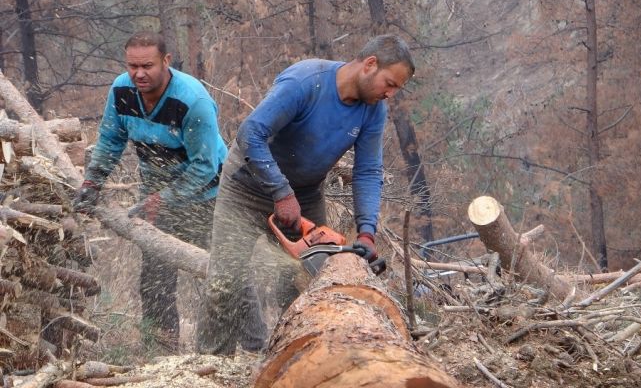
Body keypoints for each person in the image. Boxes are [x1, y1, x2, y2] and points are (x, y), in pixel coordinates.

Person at [196, 34, 415, 355]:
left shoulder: (373, 110)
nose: (390, 93)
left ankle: (298, 360)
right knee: (225, 282)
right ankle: (210, 366)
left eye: (396, 88)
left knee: (308, 282)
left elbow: (368, 170)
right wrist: (280, 191)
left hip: (306, 194)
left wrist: (367, 231)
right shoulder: (306, 82)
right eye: (390, 83)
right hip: (247, 186)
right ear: (370, 64)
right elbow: (251, 133)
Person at [73, 31, 228, 349]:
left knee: (219, 279)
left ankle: (222, 353)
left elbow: (205, 167)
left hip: (208, 195)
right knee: (155, 280)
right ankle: (162, 351)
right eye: (132, 66)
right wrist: (92, 182)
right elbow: (111, 140)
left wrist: (164, 199)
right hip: (155, 186)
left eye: (147, 66)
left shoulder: (192, 101)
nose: (139, 74)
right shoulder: (121, 91)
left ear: (166, 62)